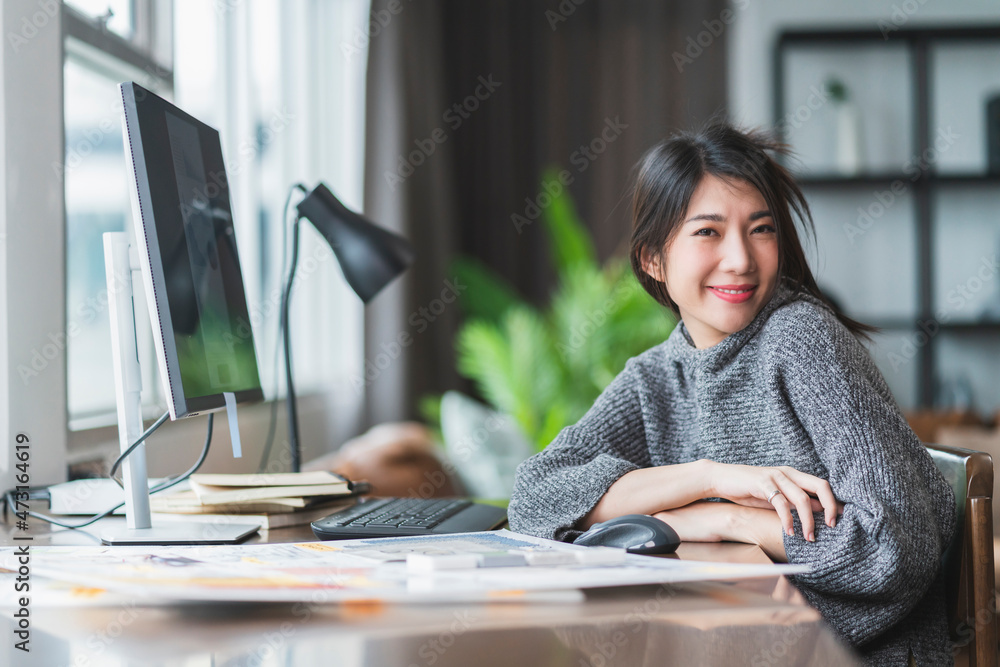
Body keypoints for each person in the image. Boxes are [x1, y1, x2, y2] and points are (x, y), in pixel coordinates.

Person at [507, 123, 956, 666]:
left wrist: (735, 520)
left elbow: (894, 552)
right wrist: (710, 481)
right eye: (708, 232)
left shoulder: (800, 339)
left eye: (760, 229)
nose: (741, 259)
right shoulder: (659, 374)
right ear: (653, 259)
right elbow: (535, 497)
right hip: (737, 642)